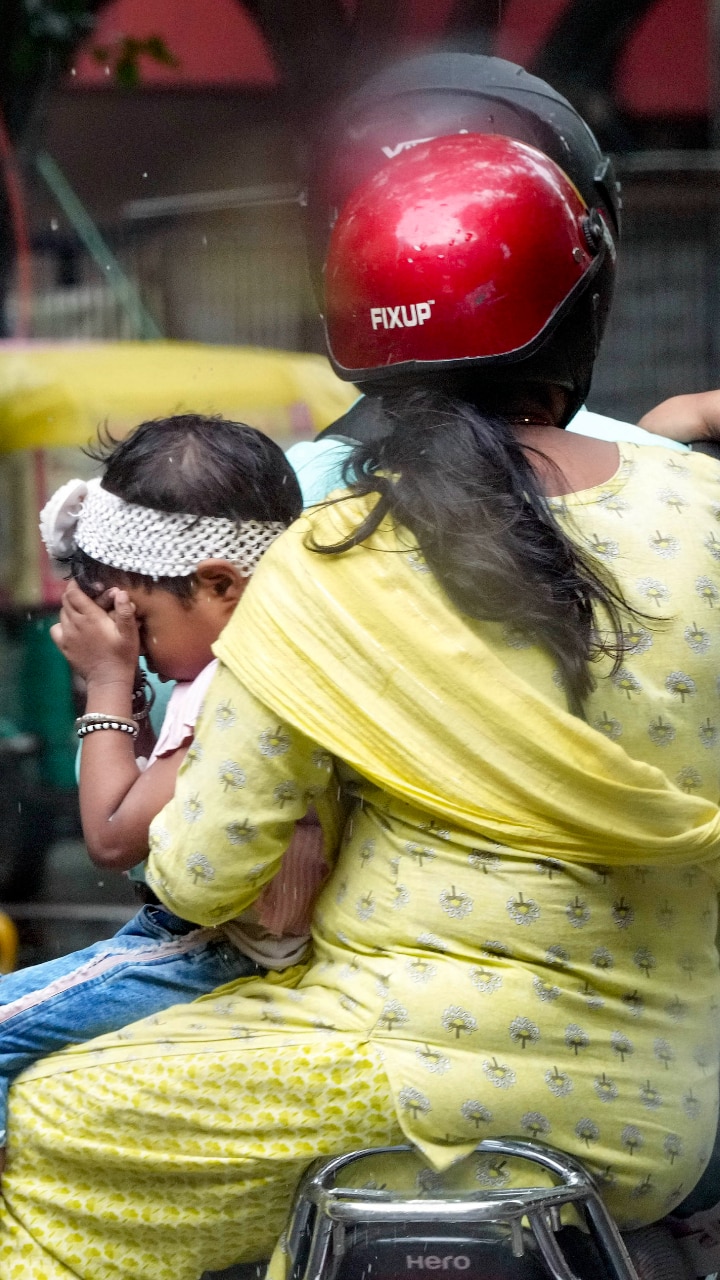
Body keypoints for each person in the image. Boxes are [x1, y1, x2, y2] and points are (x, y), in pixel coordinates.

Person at [3, 136, 720, 1280]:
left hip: (402, 1068)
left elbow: (198, 873)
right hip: (676, 1105)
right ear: (583, 314)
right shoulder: (706, 505)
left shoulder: (334, 557)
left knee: (49, 1114)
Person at [0, 414, 331, 1171]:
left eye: (141, 624)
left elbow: (115, 835)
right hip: (206, 944)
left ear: (220, 584)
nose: (135, 648)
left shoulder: (242, 686)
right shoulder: (236, 668)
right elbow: (157, 798)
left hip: (213, 952)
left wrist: (109, 682)